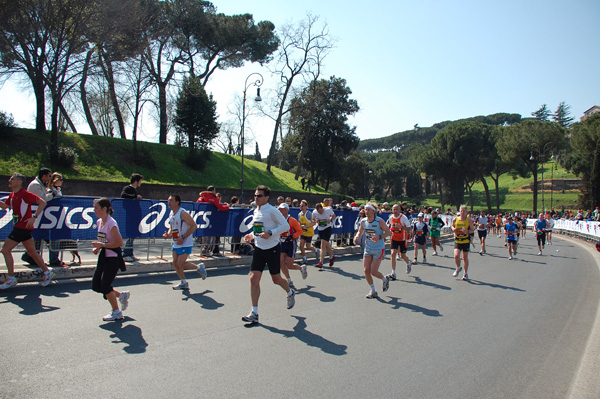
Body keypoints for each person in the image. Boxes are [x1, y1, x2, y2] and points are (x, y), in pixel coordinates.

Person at [241, 185, 295, 324]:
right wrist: (251, 236)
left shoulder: (272, 211)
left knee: (276, 279)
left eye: (259, 195)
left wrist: (270, 233)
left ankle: (289, 292)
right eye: (255, 195)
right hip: (259, 248)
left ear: (266, 197)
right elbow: (258, 228)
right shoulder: (256, 211)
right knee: (253, 279)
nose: (256, 198)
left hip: (272, 248)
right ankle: (254, 312)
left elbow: (286, 226)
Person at [0, 173, 55, 289]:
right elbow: (5, 206)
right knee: (32, 252)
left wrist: (34, 217)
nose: (9, 180)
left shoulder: (25, 194)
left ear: (19, 182)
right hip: (22, 228)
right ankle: (47, 272)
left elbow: (43, 202)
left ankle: (11, 278)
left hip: (22, 227)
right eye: (10, 178)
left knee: (5, 250)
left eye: (13, 179)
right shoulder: (13, 195)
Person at [90, 197, 130, 321]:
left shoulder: (111, 224)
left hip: (113, 258)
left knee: (105, 286)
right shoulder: (99, 222)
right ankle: (121, 295)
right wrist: (98, 247)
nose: (94, 210)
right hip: (104, 257)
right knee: (96, 285)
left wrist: (103, 245)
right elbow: (104, 240)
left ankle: (116, 311)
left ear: (104, 208)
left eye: (96, 208)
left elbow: (119, 242)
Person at [163, 195, 207, 289]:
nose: (169, 203)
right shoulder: (171, 213)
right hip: (176, 242)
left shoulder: (183, 213)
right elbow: (172, 228)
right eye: (168, 201)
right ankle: (184, 282)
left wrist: (183, 237)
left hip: (186, 242)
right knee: (175, 263)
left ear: (177, 202)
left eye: (171, 200)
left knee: (180, 264)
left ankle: (198, 267)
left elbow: (194, 226)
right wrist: (168, 234)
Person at [354, 203, 392, 298]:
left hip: (378, 248)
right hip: (368, 248)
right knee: (366, 270)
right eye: (365, 210)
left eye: (368, 210)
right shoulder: (363, 221)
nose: (366, 212)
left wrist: (379, 237)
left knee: (373, 271)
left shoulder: (379, 221)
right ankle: (373, 290)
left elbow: (388, 232)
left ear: (373, 211)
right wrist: (357, 236)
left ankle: (384, 279)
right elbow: (360, 231)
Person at [21, 167, 56, 266]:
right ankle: (29, 256)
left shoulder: (40, 185)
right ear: (44, 176)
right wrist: (53, 195)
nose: (50, 178)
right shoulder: (35, 185)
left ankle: (32, 257)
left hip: (40, 217)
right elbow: (43, 198)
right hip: (34, 216)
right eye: (49, 176)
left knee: (39, 238)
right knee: (37, 238)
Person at [277, 203, 307, 291]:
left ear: (286, 210)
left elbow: (300, 231)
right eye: (279, 209)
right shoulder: (278, 220)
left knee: (289, 265)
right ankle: (289, 280)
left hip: (291, 243)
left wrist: (292, 236)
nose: (279, 211)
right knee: (281, 262)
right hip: (283, 243)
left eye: (281, 209)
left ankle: (301, 268)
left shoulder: (292, 220)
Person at [197, 185, 229, 256]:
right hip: (212, 219)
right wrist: (227, 206)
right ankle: (208, 250)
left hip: (203, 219)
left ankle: (203, 250)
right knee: (211, 236)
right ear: (212, 191)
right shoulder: (213, 198)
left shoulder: (200, 198)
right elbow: (221, 207)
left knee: (204, 236)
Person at [121, 173, 143, 262]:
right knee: (130, 235)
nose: (141, 183)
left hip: (135, 215)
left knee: (133, 235)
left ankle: (130, 253)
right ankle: (125, 254)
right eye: (140, 181)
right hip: (130, 215)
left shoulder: (134, 190)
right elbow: (123, 195)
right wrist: (135, 196)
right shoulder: (128, 189)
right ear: (136, 181)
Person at [386, 204, 412, 279]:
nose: (395, 211)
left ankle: (408, 262)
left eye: (396, 209)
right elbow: (391, 226)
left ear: (400, 210)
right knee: (393, 254)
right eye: (393, 209)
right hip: (394, 238)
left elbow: (409, 228)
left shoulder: (403, 217)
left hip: (402, 239)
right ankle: (393, 272)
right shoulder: (391, 217)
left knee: (403, 256)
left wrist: (401, 227)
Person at [451, 205, 474, 280]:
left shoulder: (469, 220)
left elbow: (472, 230)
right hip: (458, 240)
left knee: (465, 258)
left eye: (464, 211)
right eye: (461, 211)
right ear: (459, 211)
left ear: (467, 212)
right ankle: (458, 268)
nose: (462, 212)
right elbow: (452, 226)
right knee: (456, 256)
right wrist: (454, 229)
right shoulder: (455, 219)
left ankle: (465, 273)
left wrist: (467, 231)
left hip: (465, 241)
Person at [312, 203, 336, 268]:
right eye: (318, 212)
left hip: (327, 228)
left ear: (322, 208)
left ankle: (321, 262)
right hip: (321, 228)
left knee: (322, 244)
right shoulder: (314, 212)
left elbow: (334, 215)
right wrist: (315, 220)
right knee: (326, 244)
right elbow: (313, 219)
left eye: (320, 211)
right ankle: (331, 256)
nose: (320, 213)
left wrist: (330, 219)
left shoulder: (328, 210)